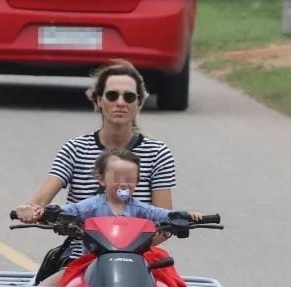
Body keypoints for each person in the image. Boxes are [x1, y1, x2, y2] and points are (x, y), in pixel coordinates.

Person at [15, 59, 177, 254]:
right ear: (99, 99)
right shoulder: (75, 149)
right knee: (47, 285)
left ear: (139, 103)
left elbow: (165, 224)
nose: (120, 103)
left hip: (139, 259)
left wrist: (126, 249)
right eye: (112, 95)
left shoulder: (158, 153)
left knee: (171, 285)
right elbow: (40, 201)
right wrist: (27, 210)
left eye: (129, 97)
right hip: (81, 257)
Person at [35, 149, 201, 287]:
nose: (124, 184)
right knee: (55, 282)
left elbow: (163, 214)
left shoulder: (139, 208)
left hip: (138, 260)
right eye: (117, 178)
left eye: (130, 180)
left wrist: (185, 216)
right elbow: (71, 210)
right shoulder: (91, 205)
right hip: (94, 259)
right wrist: (46, 213)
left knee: (171, 278)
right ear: (101, 179)